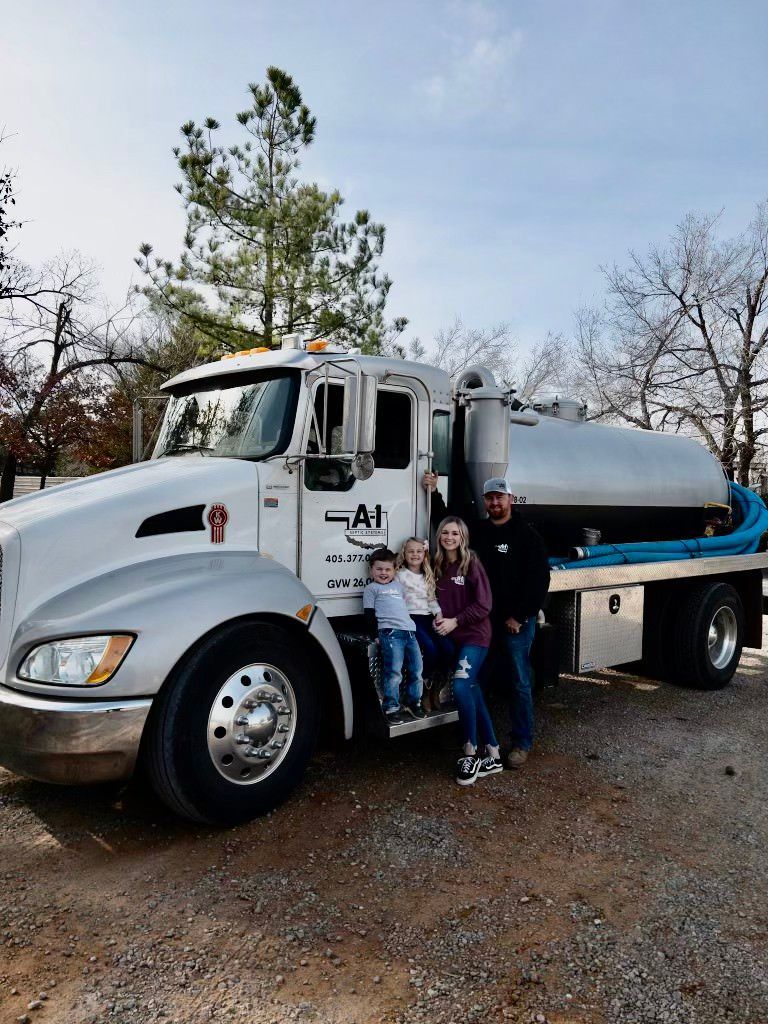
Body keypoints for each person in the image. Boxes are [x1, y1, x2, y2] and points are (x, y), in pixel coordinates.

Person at [424, 473, 550, 768]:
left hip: (513, 622)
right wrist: (433, 493)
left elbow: (539, 580)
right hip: (483, 622)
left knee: (519, 681)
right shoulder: (479, 531)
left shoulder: (526, 536)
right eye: (490, 498)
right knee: (475, 680)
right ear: (485, 502)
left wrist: (519, 616)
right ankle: (479, 737)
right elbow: (450, 527)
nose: (495, 502)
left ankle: (521, 742)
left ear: (511, 499)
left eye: (500, 497)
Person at [433, 516, 503, 786]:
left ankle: (470, 751)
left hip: (475, 636)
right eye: (444, 533)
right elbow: (432, 599)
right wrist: (436, 617)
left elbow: (484, 605)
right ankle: (494, 753)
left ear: (462, 537)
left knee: (461, 687)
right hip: (453, 639)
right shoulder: (437, 564)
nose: (449, 537)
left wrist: (455, 621)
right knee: (473, 690)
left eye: (454, 533)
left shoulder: (470, 563)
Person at [363, 547, 427, 725]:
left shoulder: (398, 586)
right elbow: (369, 614)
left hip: (409, 633)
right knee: (394, 672)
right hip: (390, 634)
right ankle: (391, 707)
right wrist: (375, 634)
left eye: (387, 569)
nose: (383, 573)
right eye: (379, 569)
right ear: (371, 570)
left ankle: (414, 703)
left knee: (416, 669)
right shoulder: (371, 589)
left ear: (394, 570)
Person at [396, 537, 444, 710]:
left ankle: (436, 686)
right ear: (404, 554)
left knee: (447, 647)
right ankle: (424, 684)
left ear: (424, 554)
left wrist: (438, 613)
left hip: (427, 618)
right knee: (430, 648)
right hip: (411, 618)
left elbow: (431, 600)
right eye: (411, 551)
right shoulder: (400, 575)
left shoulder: (427, 576)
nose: (415, 554)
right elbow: (396, 599)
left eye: (419, 551)